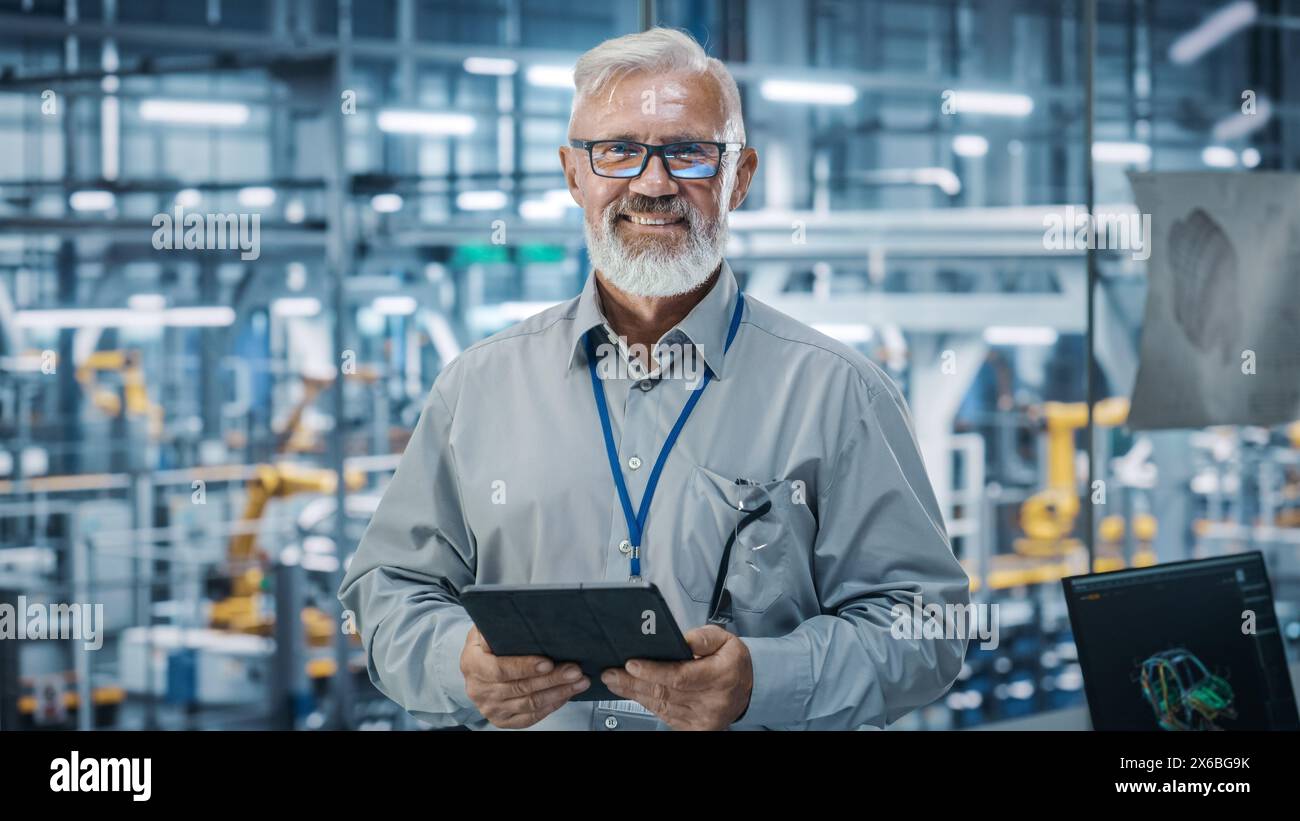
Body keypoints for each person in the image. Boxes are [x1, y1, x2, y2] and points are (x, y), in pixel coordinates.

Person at [339, 27, 969, 731]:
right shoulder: (477, 387)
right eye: (618, 150)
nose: (653, 182)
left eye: (689, 152)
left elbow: (928, 624)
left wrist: (766, 677)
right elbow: (386, 588)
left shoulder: (838, 391)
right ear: (574, 174)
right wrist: (455, 660)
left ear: (741, 176)